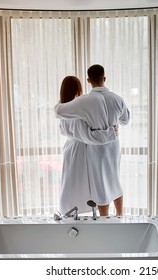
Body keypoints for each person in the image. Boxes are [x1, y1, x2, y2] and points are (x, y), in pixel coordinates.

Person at [54, 65, 130, 216]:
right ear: (105, 78)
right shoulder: (117, 99)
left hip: (95, 149)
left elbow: (59, 111)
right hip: (113, 147)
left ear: (88, 80)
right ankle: (120, 216)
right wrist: (112, 131)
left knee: (101, 185)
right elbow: (125, 120)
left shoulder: (83, 102)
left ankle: (104, 220)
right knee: (114, 180)